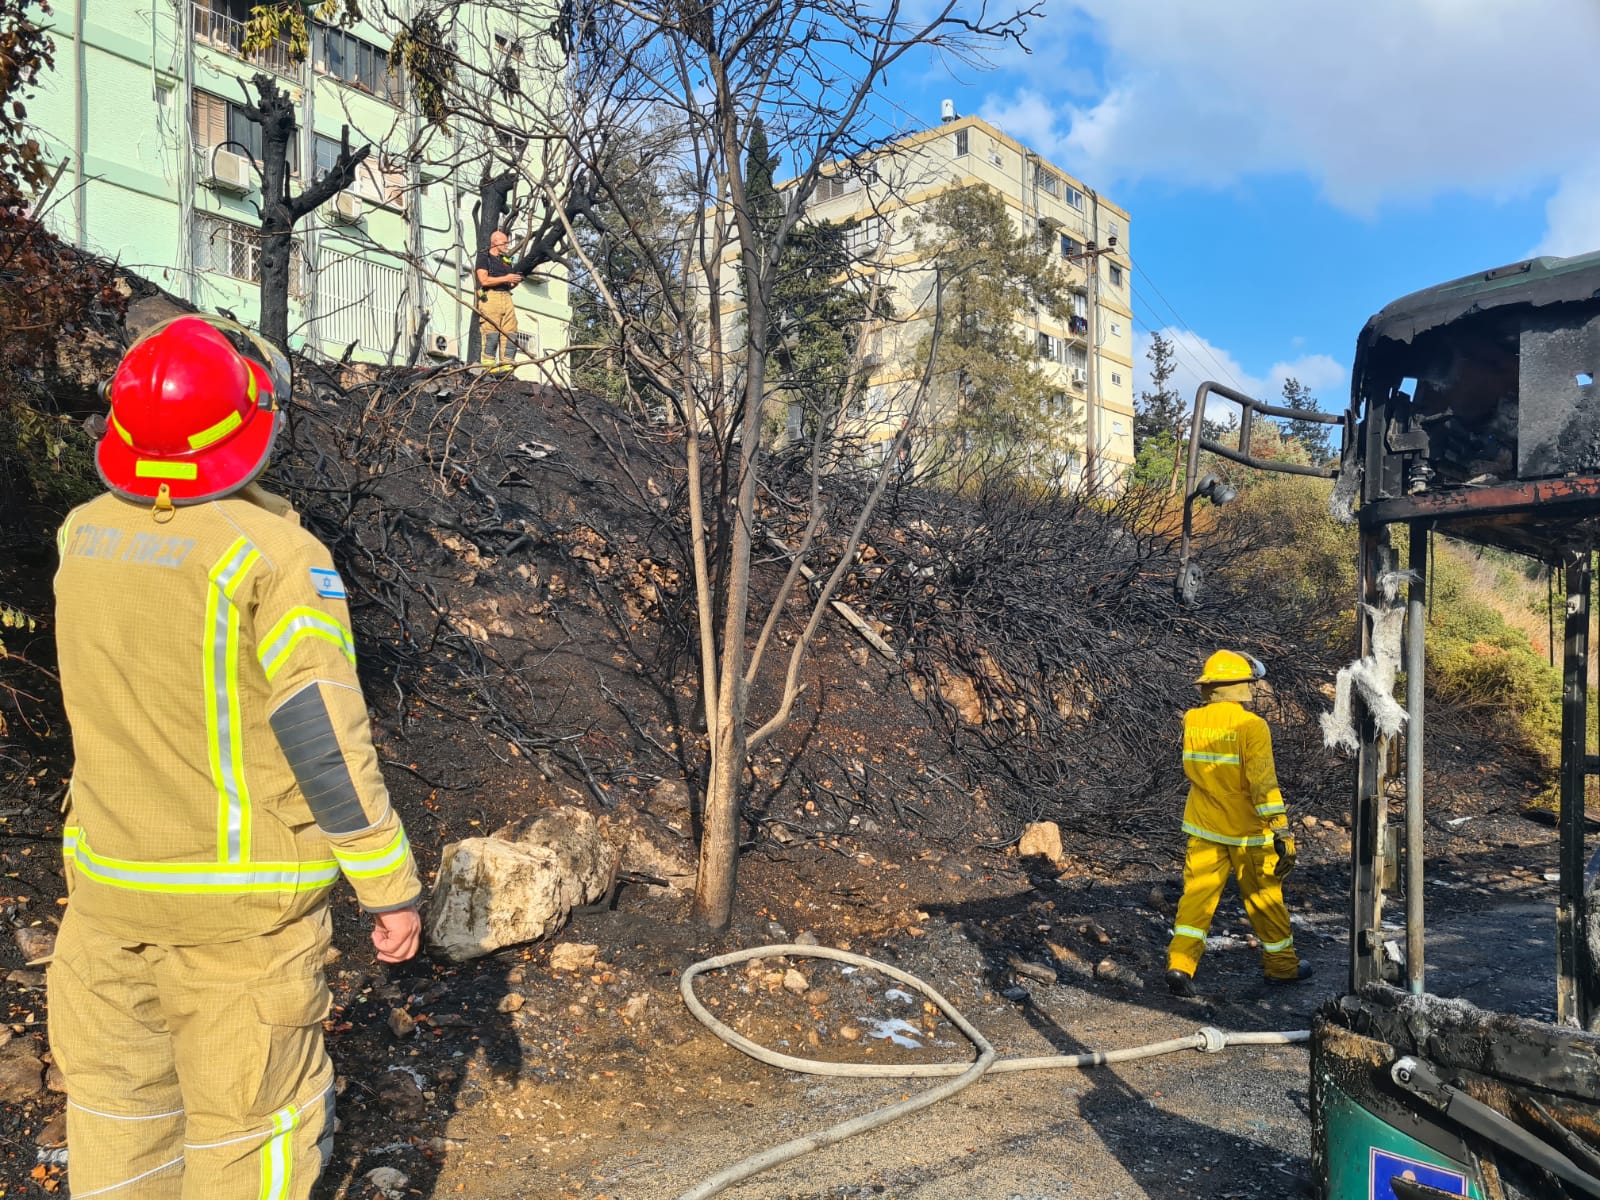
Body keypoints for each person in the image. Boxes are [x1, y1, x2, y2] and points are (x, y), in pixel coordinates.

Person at [49, 314, 423, 1198]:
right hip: (239, 920)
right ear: (249, 427)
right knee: (251, 1141)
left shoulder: (81, 537)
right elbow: (322, 740)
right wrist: (387, 884)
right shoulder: (275, 559)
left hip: (106, 902)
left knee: (118, 1127)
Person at [1165, 649, 1311, 997]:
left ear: (1209, 687)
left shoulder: (1192, 720)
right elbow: (1262, 781)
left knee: (1196, 900)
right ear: (1243, 687)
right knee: (1264, 899)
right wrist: (1280, 827)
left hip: (1203, 826)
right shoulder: (1251, 725)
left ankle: (1180, 966)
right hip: (1249, 832)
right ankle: (1281, 967)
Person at [475, 229, 523, 373]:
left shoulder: (505, 262)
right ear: (494, 242)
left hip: (506, 296)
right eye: (504, 242)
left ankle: (507, 366)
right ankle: (489, 368)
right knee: (491, 332)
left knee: (511, 331)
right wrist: (506, 278)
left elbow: (509, 283)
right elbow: (484, 280)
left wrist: (515, 280)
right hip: (491, 297)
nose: (507, 245)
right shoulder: (485, 258)